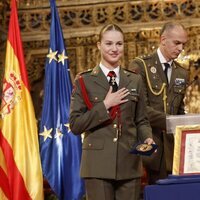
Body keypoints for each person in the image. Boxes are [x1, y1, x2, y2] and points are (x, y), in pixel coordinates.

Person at [70, 23, 155, 200]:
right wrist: (105, 105)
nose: (114, 49)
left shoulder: (134, 80)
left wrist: (147, 137)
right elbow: (76, 125)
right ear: (99, 45)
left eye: (119, 44)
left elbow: (142, 120)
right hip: (97, 165)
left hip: (129, 163)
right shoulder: (84, 81)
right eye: (109, 44)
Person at [129, 21, 189, 184]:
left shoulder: (182, 73)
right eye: (176, 43)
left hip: (174, 149)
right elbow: (139, 109)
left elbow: (180, 110)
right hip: (150, 144)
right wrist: (172, 122)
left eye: (183, 44)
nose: (180, 49)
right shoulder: (141, 65)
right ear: (163, 40)